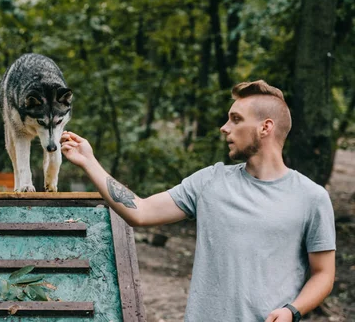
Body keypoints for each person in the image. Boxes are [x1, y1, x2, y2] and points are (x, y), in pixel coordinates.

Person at [60, 80, 335, 322]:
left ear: (265, 127)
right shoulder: (209, 182)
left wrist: (292, 310)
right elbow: (141, 211)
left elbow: (323, 273)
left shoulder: (311, 198)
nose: (224, 128)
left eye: (236, 119)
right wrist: (89, 162)